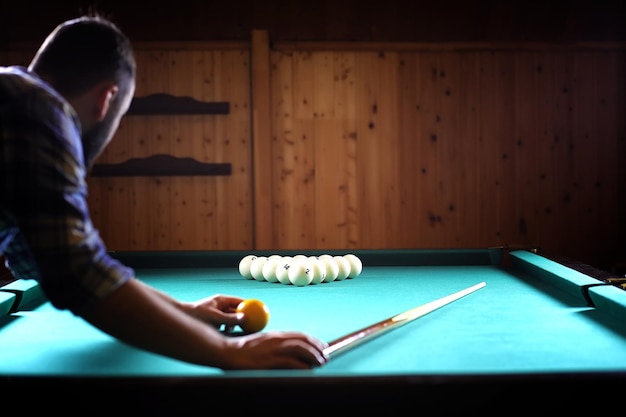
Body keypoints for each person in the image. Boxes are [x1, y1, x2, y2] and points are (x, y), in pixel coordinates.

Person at [0, 15, 328, 370]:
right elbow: (77, 272)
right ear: (107, 100)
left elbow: (39, 262)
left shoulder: (16, 101)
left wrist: (185, 312)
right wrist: (229, 351)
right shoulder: (39, 109)